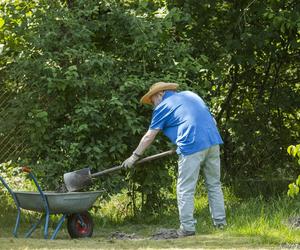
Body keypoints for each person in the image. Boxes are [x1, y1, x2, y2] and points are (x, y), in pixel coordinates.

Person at [122, 82, 226, 237]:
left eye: (152, 100)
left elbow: (150, 135)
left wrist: (134, 156)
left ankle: (187, 228)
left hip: (191, 145)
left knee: (185, 188)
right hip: (213, 140)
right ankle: (221, 224)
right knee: (214, 184)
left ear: (160, 94)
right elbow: (212, 119)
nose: (152, 104)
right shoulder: (191, 95)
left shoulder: (162, 107)